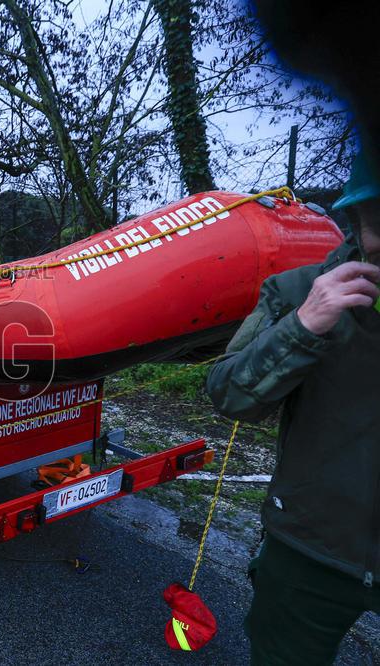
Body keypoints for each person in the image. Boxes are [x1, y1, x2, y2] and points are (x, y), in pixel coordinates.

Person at [206, 152, 380, 665]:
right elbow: (229, 394)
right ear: (356, 223)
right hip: (309, 551)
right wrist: (303, 326)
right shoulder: (297, 293)